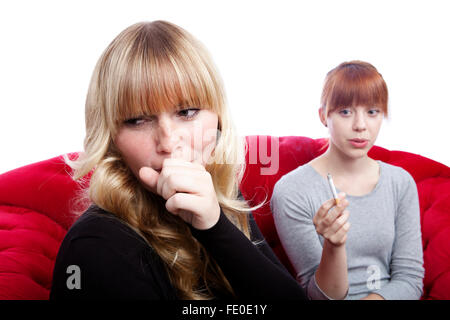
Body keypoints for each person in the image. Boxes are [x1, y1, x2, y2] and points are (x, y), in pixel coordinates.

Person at [50, 20, 307, 300]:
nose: (169, 142)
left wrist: (214, 224)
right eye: (138, 120)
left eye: (186, 112)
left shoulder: (216, 190)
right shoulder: (95, 247)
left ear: (218, 117)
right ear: (111, 136)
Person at [271, 61, 424, 300]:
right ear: (323, 116)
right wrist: (334, 245)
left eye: (372, 112)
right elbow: (319, 296)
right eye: (345, 112)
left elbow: (410, 279)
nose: (360, 126)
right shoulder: (292, 191)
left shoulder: (400, 183)